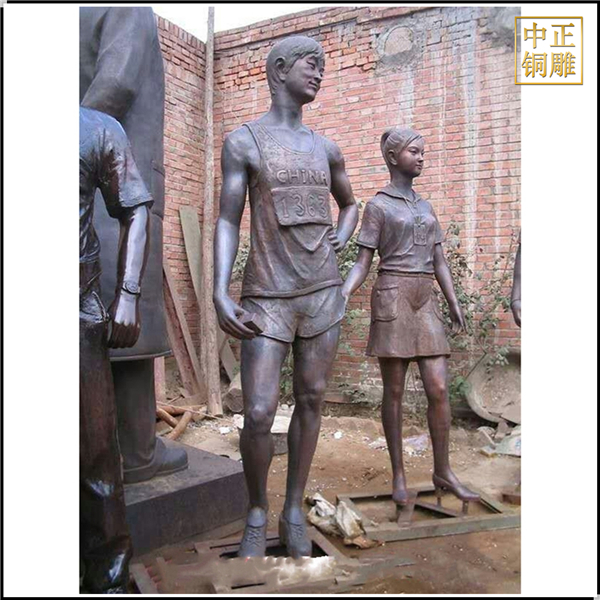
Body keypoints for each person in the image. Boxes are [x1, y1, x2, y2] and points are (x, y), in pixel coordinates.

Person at [213, 36, 359, 558]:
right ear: (279, 69)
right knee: (258, 411)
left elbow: (350, 203)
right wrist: (219, 289)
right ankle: (257, 509)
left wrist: (343, 233)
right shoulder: (243, 142)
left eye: (322, 67)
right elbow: (228, 219)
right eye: (310, 64)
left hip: (321, 292)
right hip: (267, 294)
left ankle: (293, 508)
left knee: (313, 397)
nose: (319, 73)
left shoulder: (327, 148)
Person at [341, 127, 479, 508]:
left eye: (423, 152)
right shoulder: (379, 206)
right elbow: (363, 262)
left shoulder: (426, 207)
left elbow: (439, 260)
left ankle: (443, 470)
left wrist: (453, 301)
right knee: (395, 392)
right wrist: (343, 291)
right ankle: (399, 476)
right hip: (393, 295)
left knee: (438, 388)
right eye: (413, 152)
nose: (421, 157)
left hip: (425, 298)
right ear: (392, 157)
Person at [80, 7, 187, 482]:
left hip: (98, 182)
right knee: (125, 318)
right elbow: (117, 84)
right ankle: (137, 451)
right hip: (115, 181)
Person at [79, 106, 152, 593]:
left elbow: (134, 207)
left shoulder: (96, 128)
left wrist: (128, 293)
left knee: (96, 453)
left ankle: (109, 579)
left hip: (75, 308)